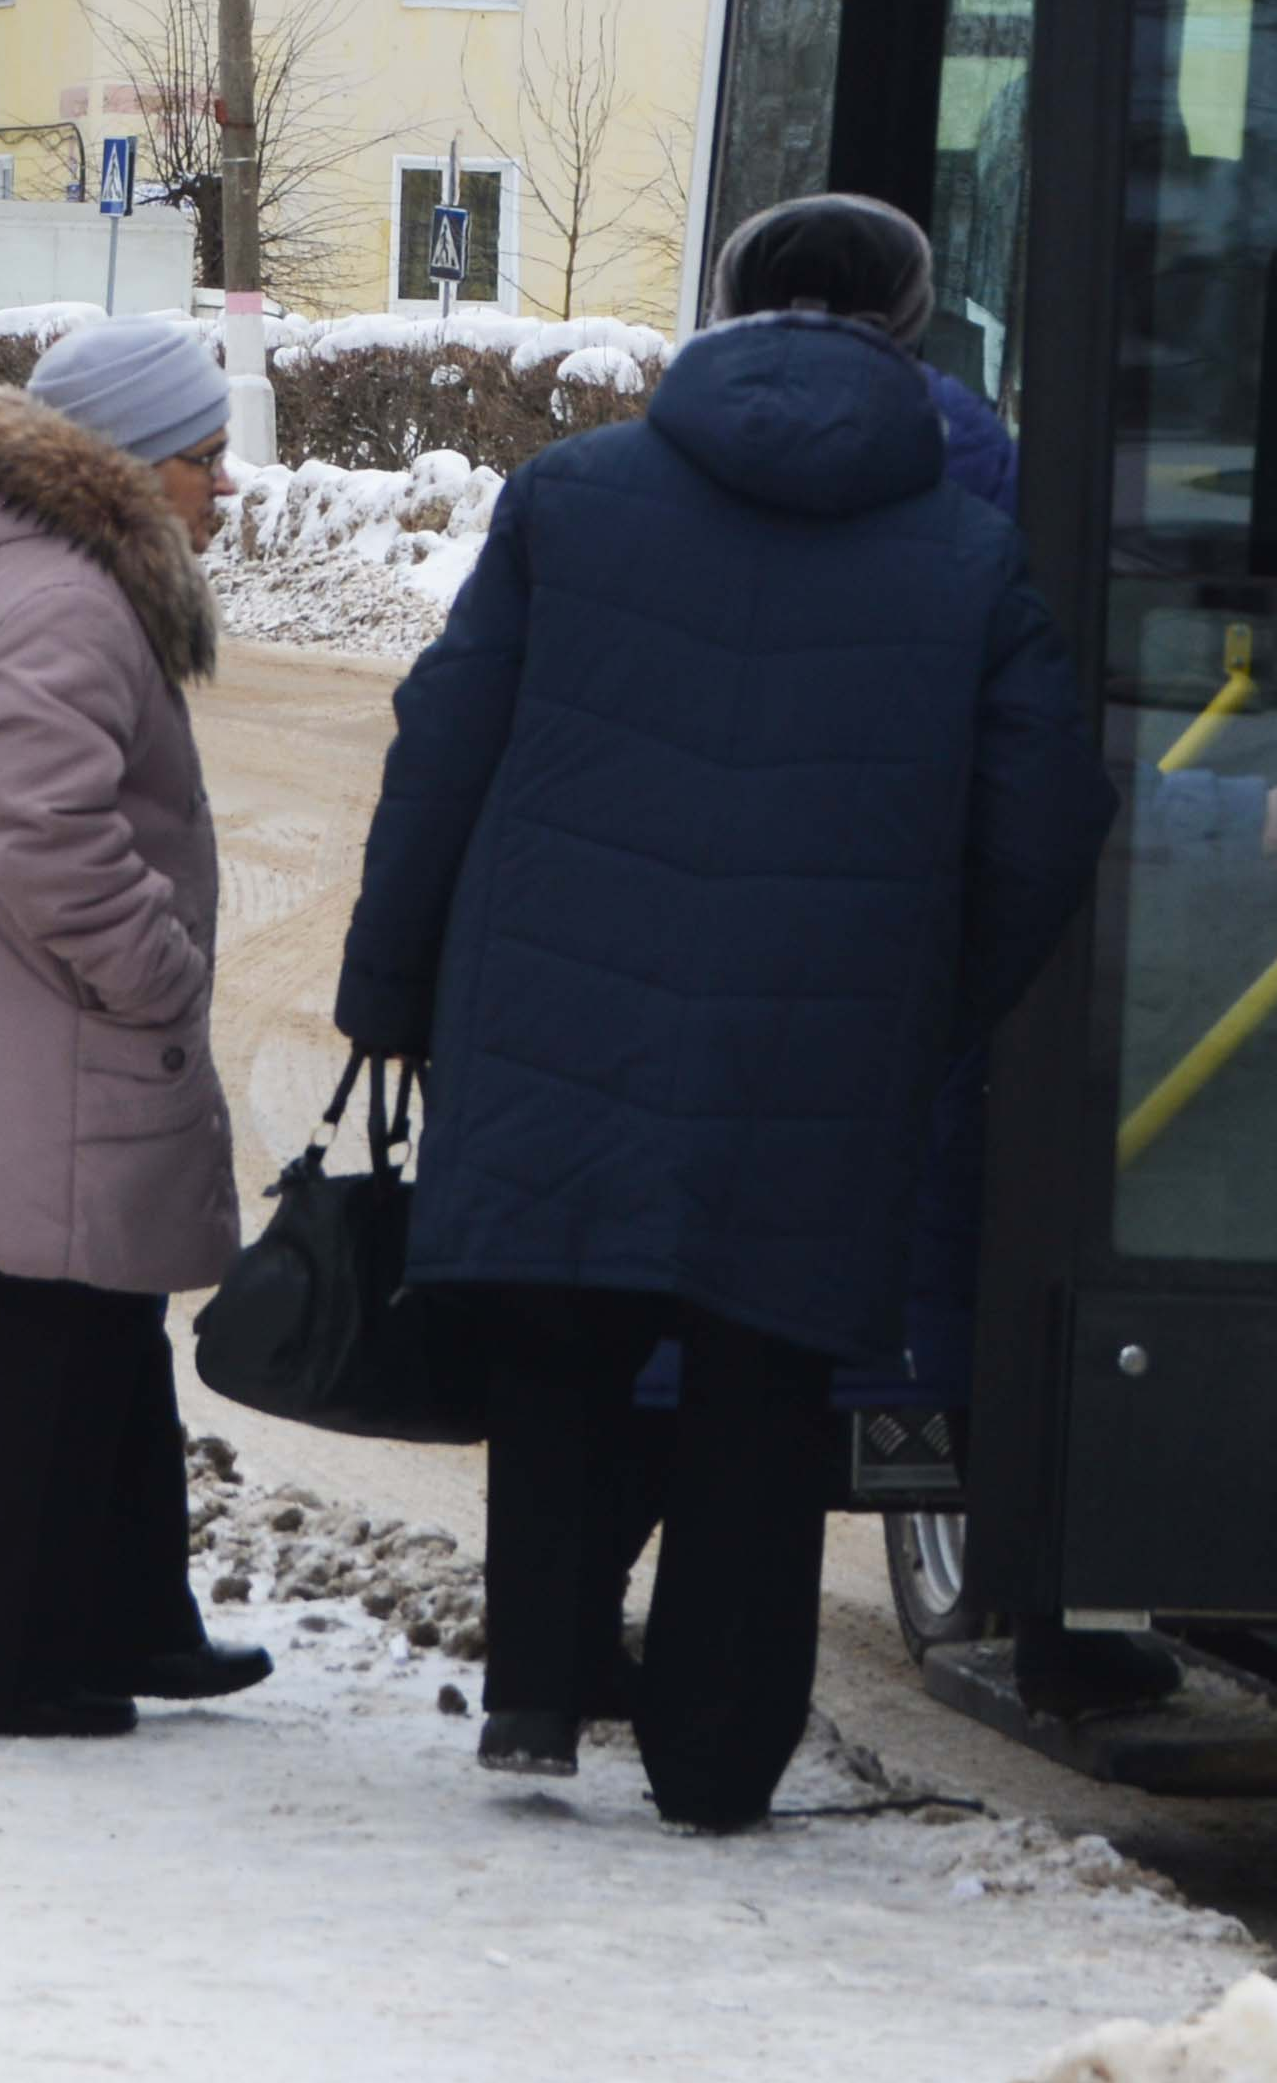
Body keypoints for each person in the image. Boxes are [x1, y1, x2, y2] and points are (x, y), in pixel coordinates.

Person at [333, 190, 1114, 1827]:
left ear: (724, 312)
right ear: (914, 335)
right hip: (818, 1044)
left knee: (558, 1360)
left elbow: (444, 744)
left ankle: (539, 1695)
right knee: (760, 1398)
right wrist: (934, 1000)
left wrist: (393, 982)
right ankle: (714, 1761)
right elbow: (1046, 817)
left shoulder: (571, 495)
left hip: (557, 1019)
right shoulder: (969, 551)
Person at [0, 319, 271, 1742]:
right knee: (53, 1357)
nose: (225, 487)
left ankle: (121, 1622)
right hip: (61, 1043)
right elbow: (47, 840)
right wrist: (154, 974)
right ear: (123, 468)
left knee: (98, 1341)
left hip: (1, 1033)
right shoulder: (66, 605)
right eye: (203, 459)